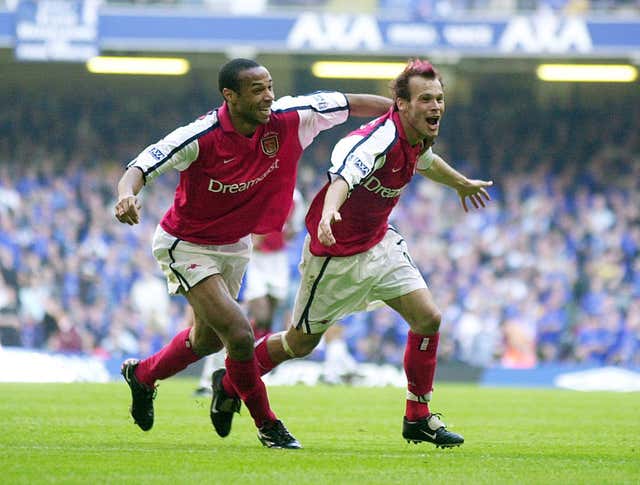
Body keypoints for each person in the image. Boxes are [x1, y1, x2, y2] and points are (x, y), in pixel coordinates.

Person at [211, 58, 492, 448]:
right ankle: (230, 379)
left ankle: (418, 416)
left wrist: (460, 183)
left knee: (428, 318)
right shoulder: (377, 140)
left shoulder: (416, 139)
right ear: (402, 104)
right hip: (334, 254)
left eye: (439, 99)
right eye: (425, 98)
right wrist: (329, 213)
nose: (435, 107)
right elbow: (344, 177)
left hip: (379, 243)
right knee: (300, 343)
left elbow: (426, 163)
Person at [114, 57, 392, 449]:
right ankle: (268, 425)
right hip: (186, 243)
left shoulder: (291, 117)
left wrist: (402, 112)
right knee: (241, 334)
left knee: (207, 341)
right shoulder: (202, 135)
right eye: (257, 90)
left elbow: (349, 102)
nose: (268, 96)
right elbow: (144, 164)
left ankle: (143, 376)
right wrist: (127, 195)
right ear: (230, 96)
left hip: (236, 245)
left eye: (270, 86)